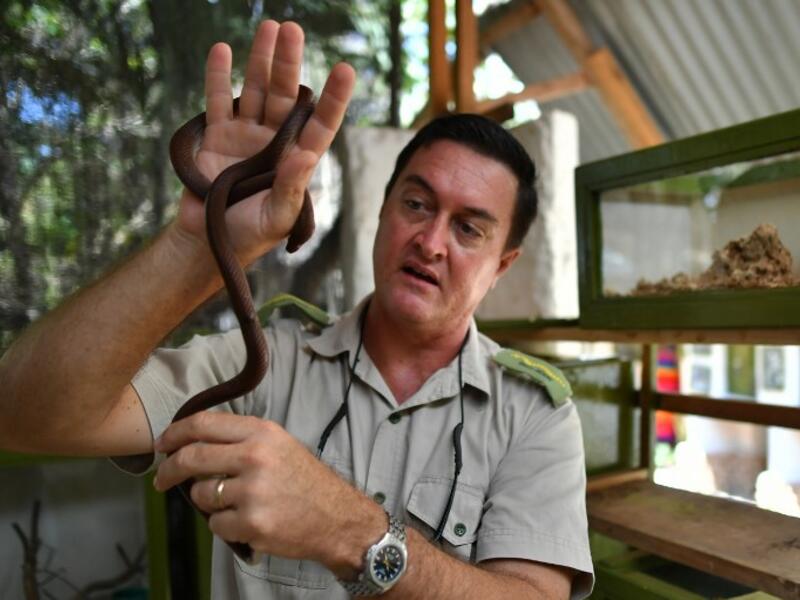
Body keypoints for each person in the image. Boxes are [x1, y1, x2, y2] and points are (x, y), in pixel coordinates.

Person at [0, 19, 593, 599]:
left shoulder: (533, 415)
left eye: (468, 229)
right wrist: (197, 248)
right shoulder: (268, 360)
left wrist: (344, 528)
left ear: (502, 266)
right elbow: (24, 413)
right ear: (382, 211)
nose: (431, 241)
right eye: (416, 203)